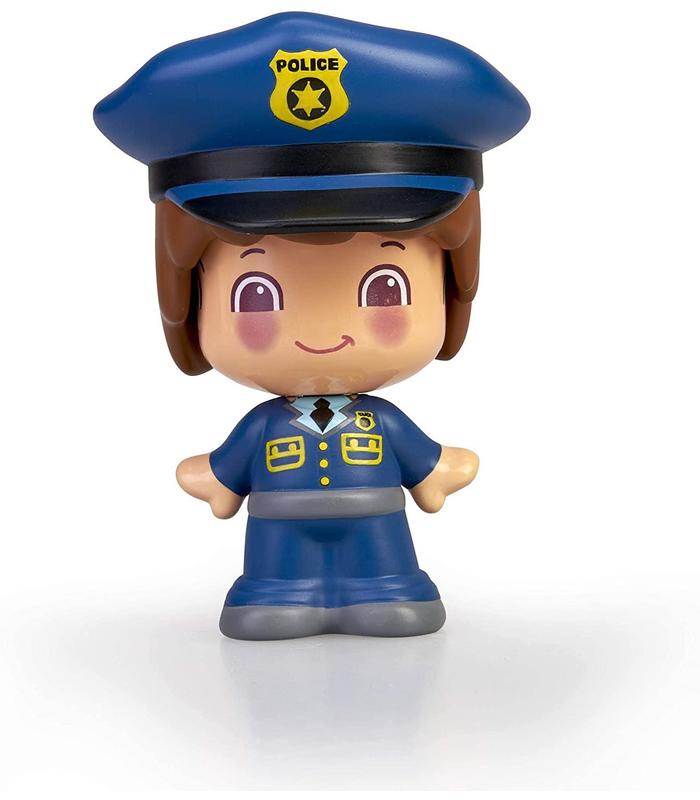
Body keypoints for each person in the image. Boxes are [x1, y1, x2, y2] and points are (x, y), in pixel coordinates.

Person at [93, 11, 530, 639]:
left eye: (385, 287)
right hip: (278, 539)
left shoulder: (381, 423)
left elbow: (425, 468)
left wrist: (440, 472)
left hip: (378, 532)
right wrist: (212, 478)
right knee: (275, 580)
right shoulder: (265, 427)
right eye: (256, 295)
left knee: (386, 574)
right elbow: (227, 473)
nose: (326, 331)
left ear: (451, 285)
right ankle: (276, 592)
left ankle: (386, 585)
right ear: (188, 296)